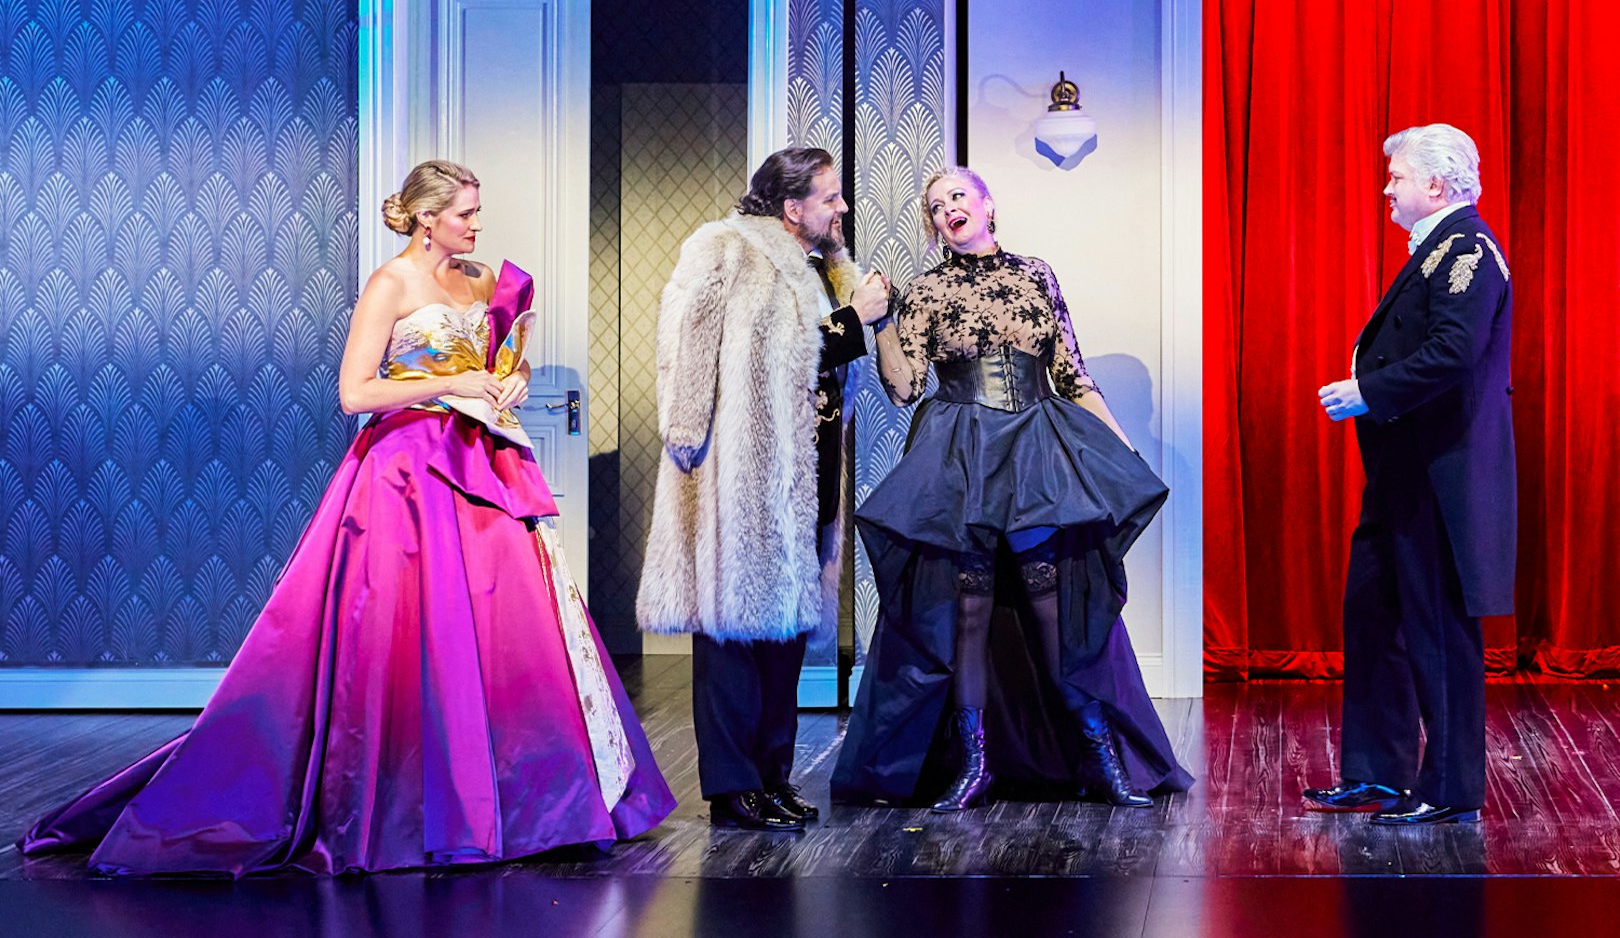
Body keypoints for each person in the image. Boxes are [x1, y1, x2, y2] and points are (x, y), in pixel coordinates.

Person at [19, 159, 675, 875]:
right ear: (428, 217)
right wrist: (453, 379)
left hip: (481, 465)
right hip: (405, 474)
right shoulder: (390, 284)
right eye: (465, 213)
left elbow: (500, 360)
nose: (477, 224)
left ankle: (527, 805)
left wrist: (510, 380)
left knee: (502, 631)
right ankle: (412, 807)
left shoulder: (483, 280)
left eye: (477, 212)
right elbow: (355, 393)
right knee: (407, 637)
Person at [831, 167, 1191, 810]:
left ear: (989, 204)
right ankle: (976, 765)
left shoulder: (1035, 274)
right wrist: (881, 322)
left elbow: (1071, 372)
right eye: (936, 207)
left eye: (958, 198)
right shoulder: (926, 289)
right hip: (963, 456)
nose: (948, 211)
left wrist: (1122, 445)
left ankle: (1102, 757)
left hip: (1032, 451)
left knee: (1055, 607)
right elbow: (906, 386)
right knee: (966, 614)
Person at [637, 147, 890, 831]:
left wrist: (853, 301)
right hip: (742, 468)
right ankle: (731, 787)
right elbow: (694, 345)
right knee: (732, 634)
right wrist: (685, 434)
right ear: (790, 205)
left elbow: (825, 359)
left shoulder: (821, 265)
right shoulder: (722, 248)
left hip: (806, 468)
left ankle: (772, 776)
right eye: (830, 197)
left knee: (784, 631)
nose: (841, 207)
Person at [1307, 124, 1514, 825]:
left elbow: (1455, 351)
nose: (1386, 188)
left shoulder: (1468, 249)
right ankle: (1379, 771)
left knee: (1437, 630)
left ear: (1435, 184)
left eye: (1395, 176)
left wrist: (1372, 390)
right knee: (1373, 616)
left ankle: (1451, 788)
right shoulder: (1436, 251)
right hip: (1401, 476)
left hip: (1440, 477)